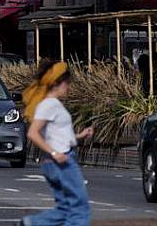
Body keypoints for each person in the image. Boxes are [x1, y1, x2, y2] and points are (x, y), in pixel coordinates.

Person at [20, 61, 94, 226]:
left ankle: (31, 223)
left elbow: (56, 134)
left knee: (65, 208)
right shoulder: (49, 105)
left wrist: (79, 136)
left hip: (55, 160)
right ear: (57, 84)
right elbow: (32, 133)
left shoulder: (51, 105)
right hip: (61, 161)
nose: (68, 88)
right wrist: (54, 153)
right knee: (79, 209)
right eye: (67, 84)